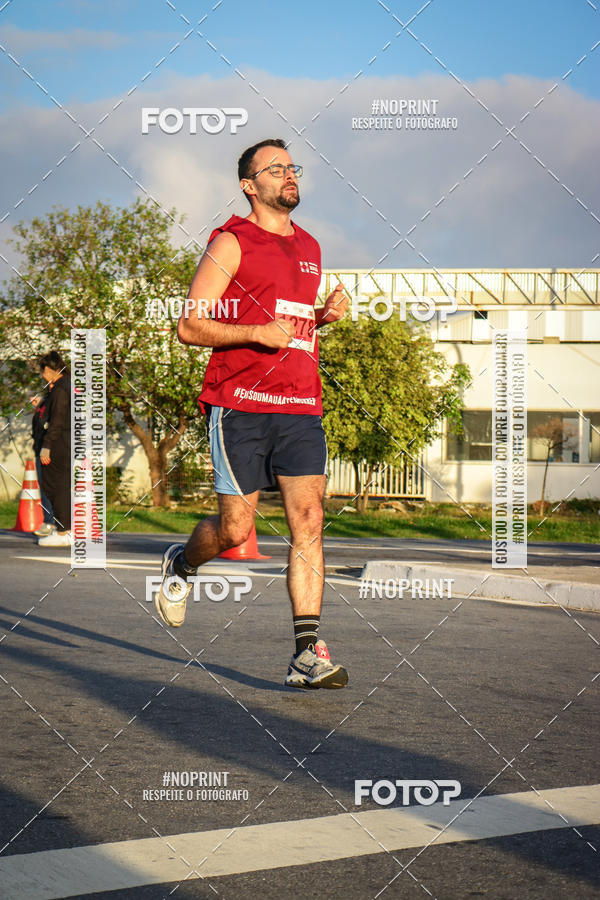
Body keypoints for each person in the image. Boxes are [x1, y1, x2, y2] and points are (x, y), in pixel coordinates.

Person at [153, 138, 349, 689]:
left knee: (309, 522)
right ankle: (182, 563)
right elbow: (190, 325)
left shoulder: (310, 246)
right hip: (240, 405)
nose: (289, 175)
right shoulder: (230, 242)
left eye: (292, 167)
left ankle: (306, 654)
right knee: (235, 530)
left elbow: (287, 324)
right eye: (275, 168)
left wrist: (320, 318)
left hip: (301, 404)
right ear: (249, 185)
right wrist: (256, 333)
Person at [37, 351, 72, 548]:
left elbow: (57, 421)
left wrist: (47, 446)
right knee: (61, 486)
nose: (43, 376)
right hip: (66, 443)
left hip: (59, 444)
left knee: (55, 486)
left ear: (50, 370)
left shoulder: (60, 389)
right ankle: (65, 530)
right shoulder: (68, 385)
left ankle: (63, 532)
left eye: (43, 372)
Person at [30, 390, 56, 536]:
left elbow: (55, 427)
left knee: (54, 488)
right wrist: (41, 403)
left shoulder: (61, 402)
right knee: (45, 487)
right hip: (41, 450)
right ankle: (49, 521)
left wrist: (47, 448)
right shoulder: (46, 402)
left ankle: (54, 523)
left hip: (52, 452)